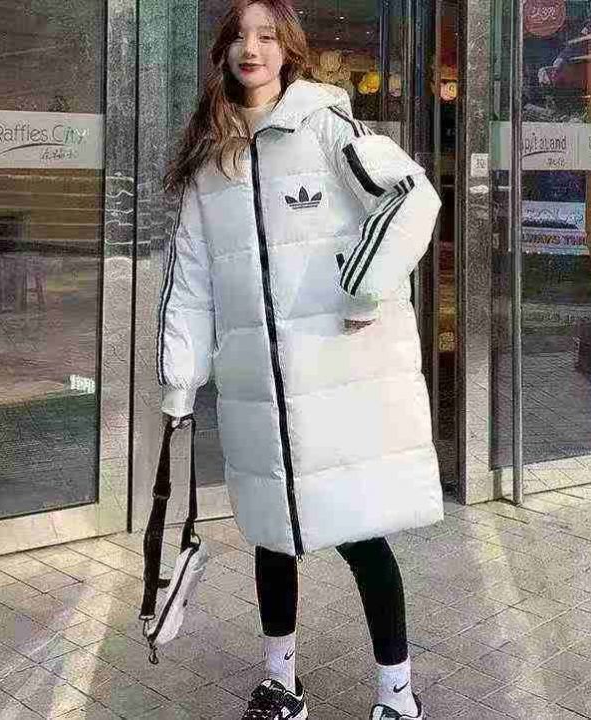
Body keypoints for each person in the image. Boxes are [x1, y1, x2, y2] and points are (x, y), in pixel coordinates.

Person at [157, 1, 443, 717]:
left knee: (361, 535)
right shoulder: (210, 159)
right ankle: (282, 683)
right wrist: (181, 381)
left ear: (287, 49)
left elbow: (411, 197)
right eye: (238, 37)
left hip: (333, 376)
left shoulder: (326, 126)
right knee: (271, 536)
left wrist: (365, 284)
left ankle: (397, 695)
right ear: (223, 52)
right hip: (256, 384)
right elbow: (190, 278)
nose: (250, 48)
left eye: (265, 36)